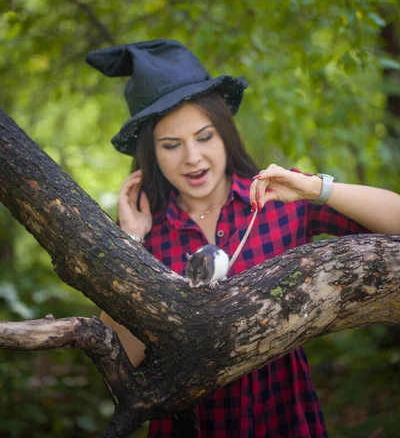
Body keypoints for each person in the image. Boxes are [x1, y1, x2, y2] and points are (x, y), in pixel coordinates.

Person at [86, 40, 400, 438]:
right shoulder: (145, 234)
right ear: (151, 153)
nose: (193, 158)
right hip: (189, 426)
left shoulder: (278, 200)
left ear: (225, 135)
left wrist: (314, 188)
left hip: (282, 415)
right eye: (171, 145)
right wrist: (130, 241)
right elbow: (119, 366)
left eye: (205, 136)